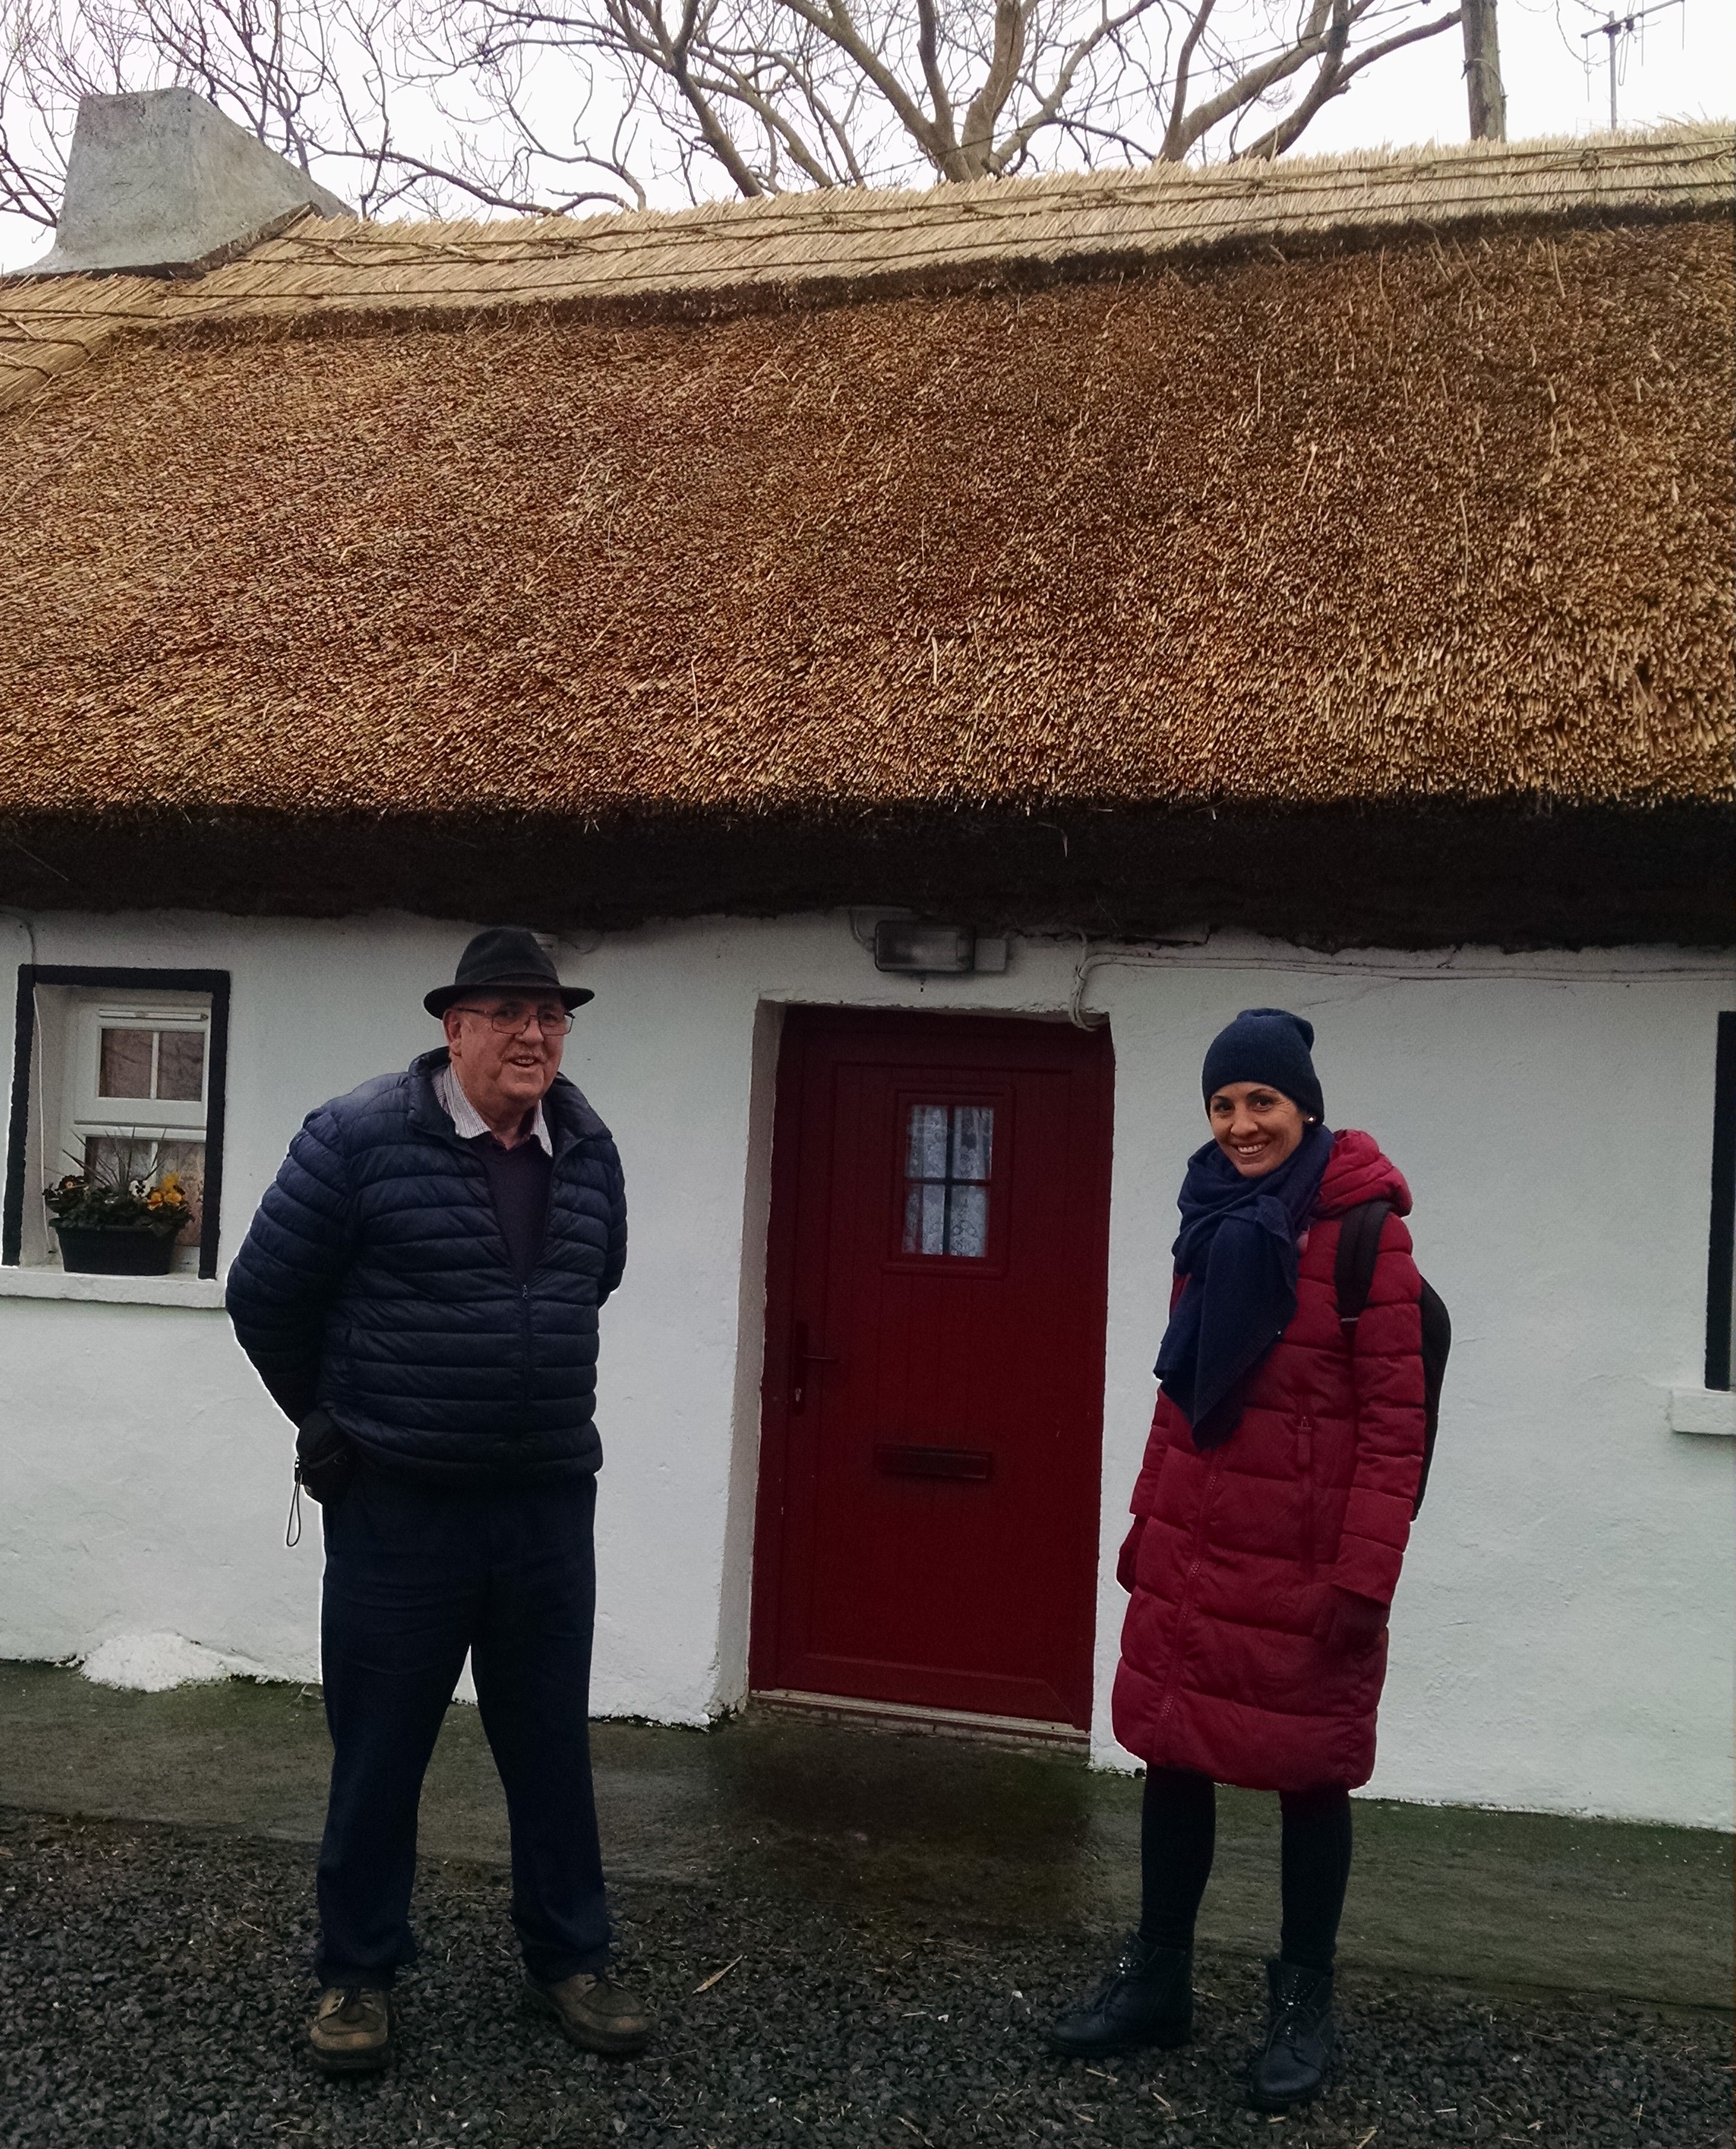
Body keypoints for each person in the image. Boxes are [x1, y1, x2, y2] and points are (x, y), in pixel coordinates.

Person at [226, 927, 647, 2076]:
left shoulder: (590, 1148)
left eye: (551, 1015)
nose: (533, 1034)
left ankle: (570, 1955)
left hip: (547, 1503)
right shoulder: (356, 1138)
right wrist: (336, 1423)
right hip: (400, 1509)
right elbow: (264, 1296)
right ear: (452, 1026)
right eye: (507, 1012)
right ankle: (356, 1976)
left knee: (551, 1745)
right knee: (380, 1751)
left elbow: (590, 1282)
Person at [1048, 1008, 1427, 2112]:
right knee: (1176, 1750)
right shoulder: (1207, 1213)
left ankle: (1301, 2002)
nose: (1239, 1123)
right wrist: (1143, 1525)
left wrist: (1365, 1574)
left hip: (1305, 1560)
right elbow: (1185, 1392)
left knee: (1310, 1777)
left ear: (1302, 1103)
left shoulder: (1364, 1232)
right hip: (1198, 1536)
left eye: (1259, 1101)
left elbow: (1392, 1422)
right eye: (1221, 1104)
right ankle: (1157, 1977)